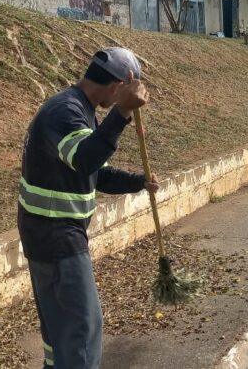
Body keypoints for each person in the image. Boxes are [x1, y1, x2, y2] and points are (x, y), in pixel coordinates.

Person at [18, 47, 159, 369]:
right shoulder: (64, 112)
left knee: (62, 333)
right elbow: (84, 160)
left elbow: (96, 172)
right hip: (57, 237)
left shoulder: (78, 108)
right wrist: (121, 114)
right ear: (118, 86)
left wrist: (138, 182)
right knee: (82, 330)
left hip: (51, 235)